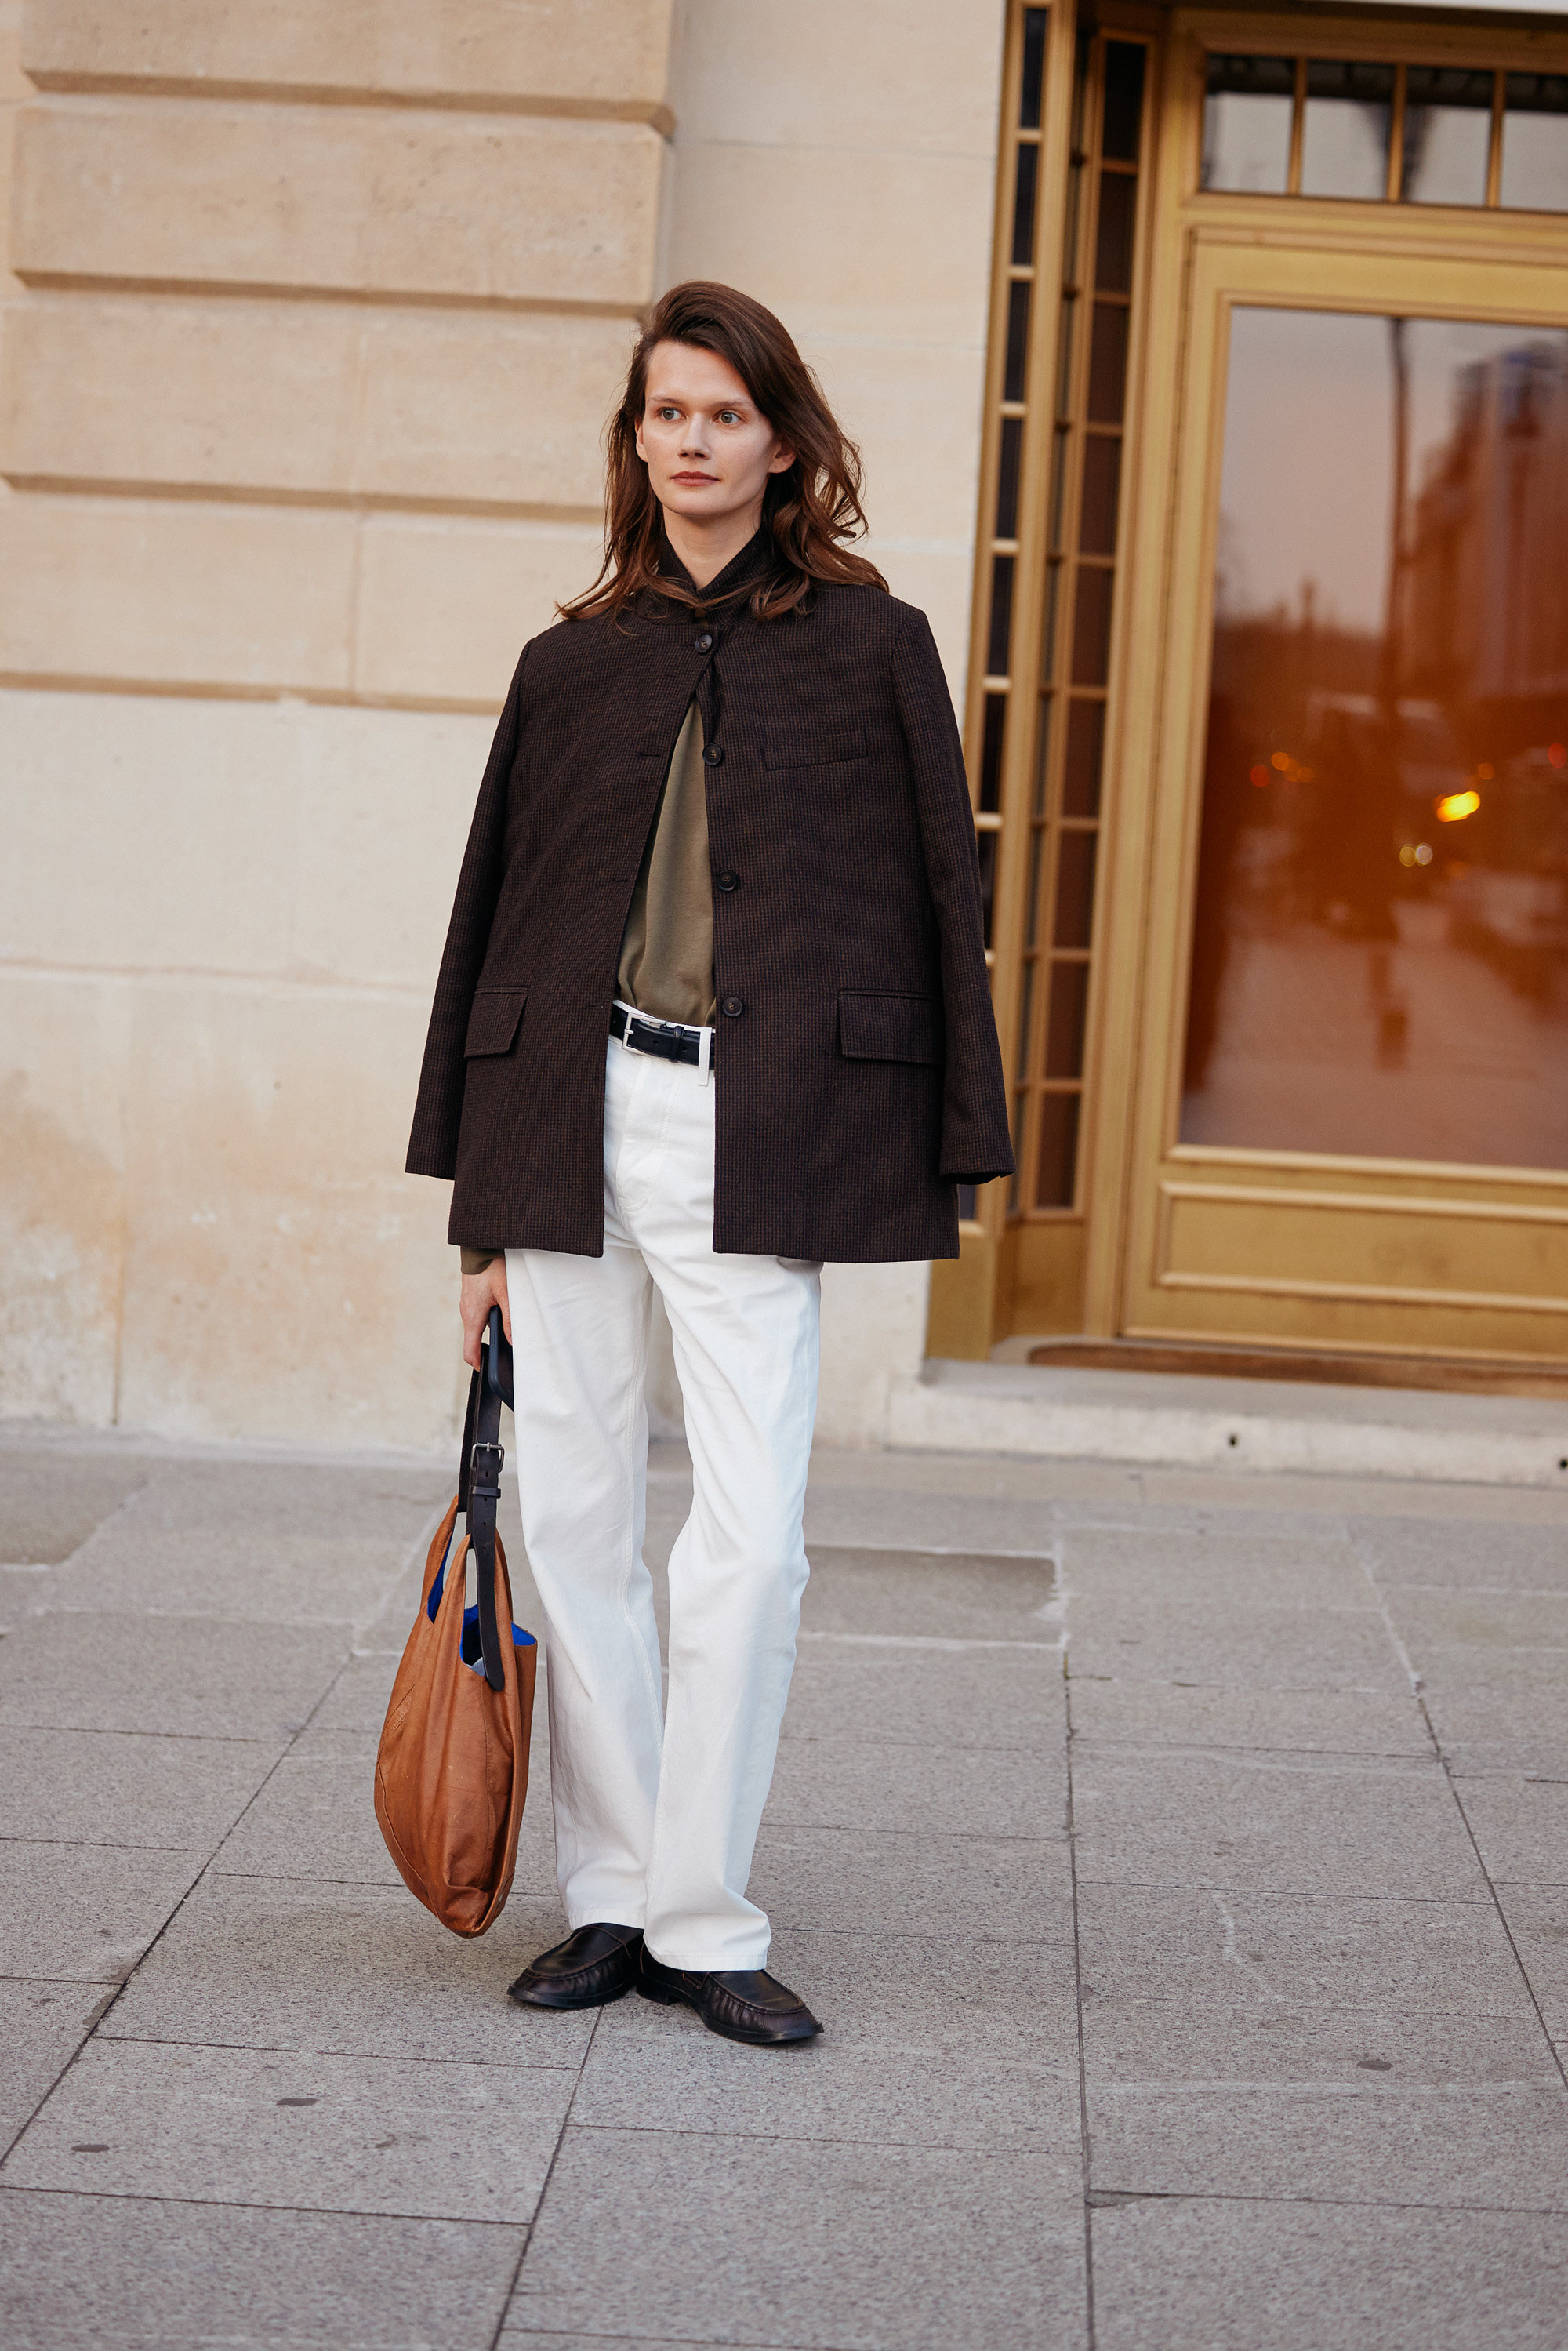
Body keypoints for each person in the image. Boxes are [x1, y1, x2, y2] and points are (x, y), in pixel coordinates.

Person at [407, 281, 1013, 2048]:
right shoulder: (567, 662)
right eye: (665, 413)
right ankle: (612, 1895)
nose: (691, 441)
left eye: (722, 414)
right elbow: (490, 930)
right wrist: (479, 1215)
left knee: (747, 1537)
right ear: (638, 439)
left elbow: (938, 903)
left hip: (760, 1126)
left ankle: (706, 1910)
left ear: (781, 440)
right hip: (565, 1115)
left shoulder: (869, 643)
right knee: (582, 1514)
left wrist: (941, 1139)